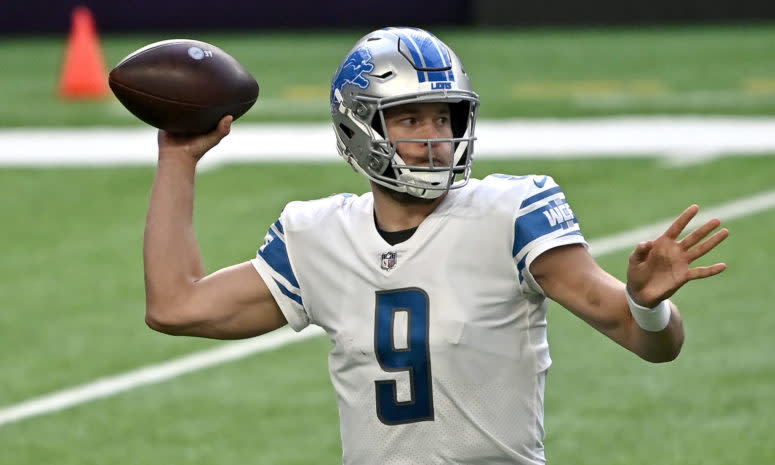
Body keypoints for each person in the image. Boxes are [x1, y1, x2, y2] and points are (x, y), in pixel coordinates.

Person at [143, 27, 729, 464]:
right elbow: (175, 305)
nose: (435, 138)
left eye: (445, 118)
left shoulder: (511, 213)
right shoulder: (315, 234)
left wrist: (647, 305)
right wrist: (177, 159)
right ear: (360, 127)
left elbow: (648, 342)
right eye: (410, 119)